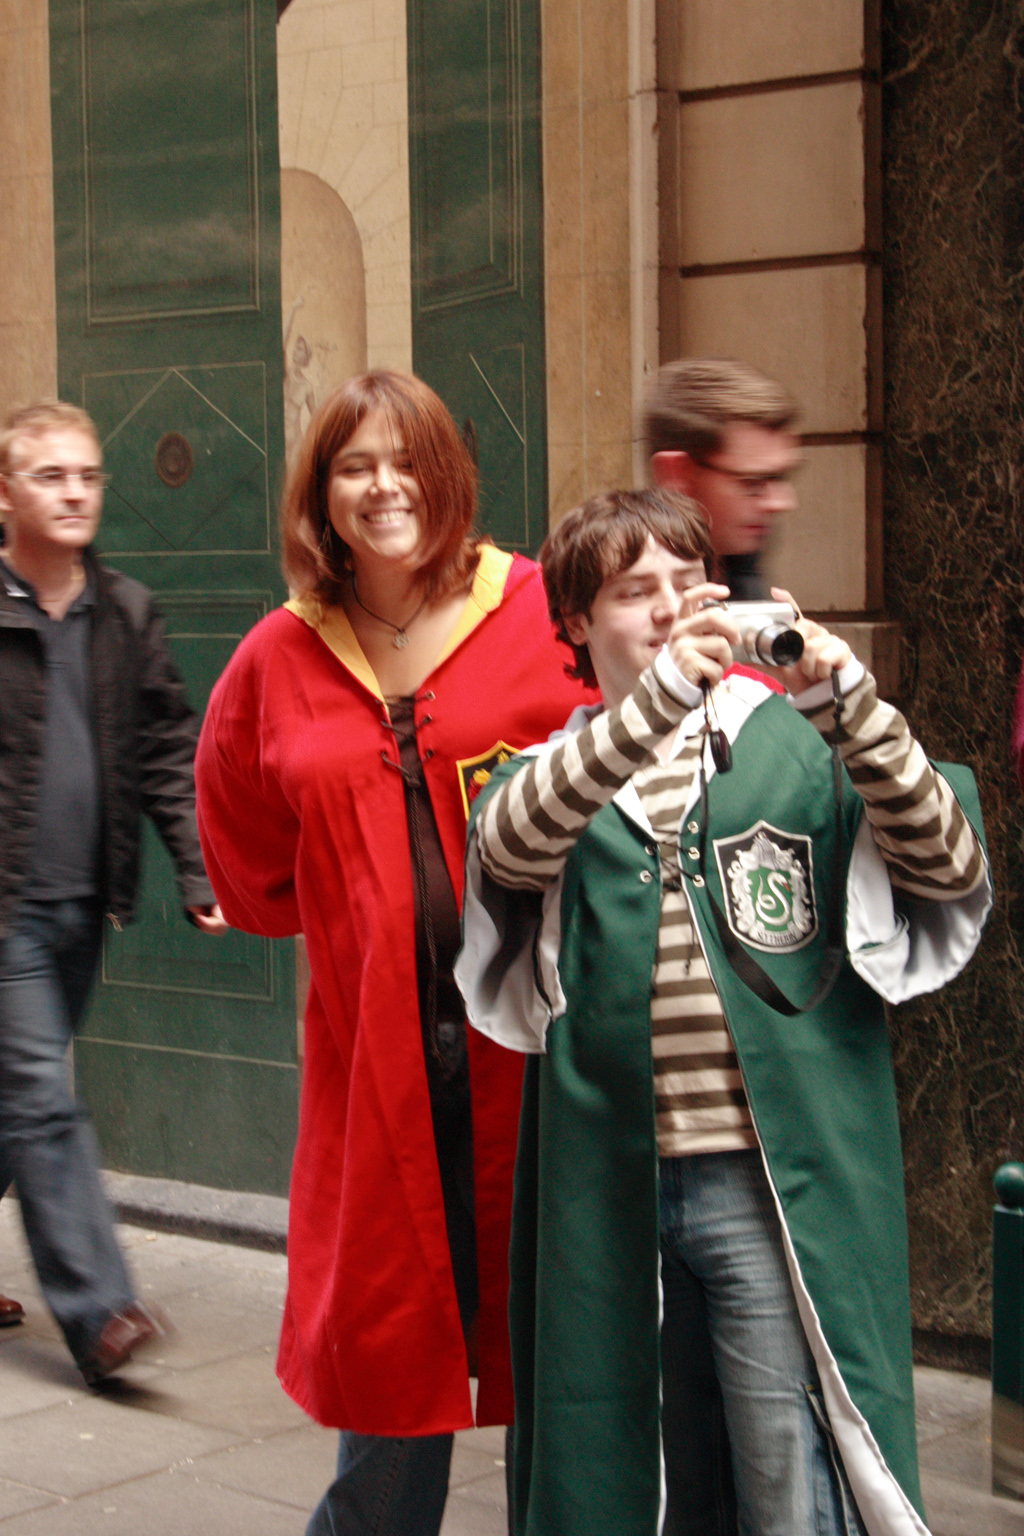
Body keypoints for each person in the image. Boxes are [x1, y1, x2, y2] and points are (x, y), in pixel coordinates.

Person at [456, 488, 991, 1536]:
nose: (664, 609)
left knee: (785, 1471)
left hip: (763, 1185)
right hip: (607, 1185)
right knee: (620, 1466)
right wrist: (653, 701)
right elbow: (507, 846)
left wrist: (844, 701)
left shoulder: (796, 747)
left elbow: (946, 860)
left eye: (681, 585)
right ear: (574, 620)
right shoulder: (549, 771)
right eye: (629, 591)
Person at [194, 369, 596, 1536]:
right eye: (353, 465)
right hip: (379, 1058)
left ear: (447, 471)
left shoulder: (532, 606)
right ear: (322, 496)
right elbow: (250, 860)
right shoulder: (278, 657)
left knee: (561, 1346)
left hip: (540, 1046)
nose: (383, 486)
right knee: (387, 1358)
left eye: (404, 458)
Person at [0, 401, 226, 1384]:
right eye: (51, 476)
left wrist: (195, 865)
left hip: (84, 902)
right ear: (5, 492)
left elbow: (167, 750)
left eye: (88, 475)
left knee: (14, 1091)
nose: (76, 492)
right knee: (43, 1095)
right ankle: (100, 1311)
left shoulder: (123, 612)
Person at [645, 357, 801, 598]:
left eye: (781, 478)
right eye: (752, 482)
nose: (781, 503)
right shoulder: (603, 611)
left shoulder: (745, 576)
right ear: (676, 473)